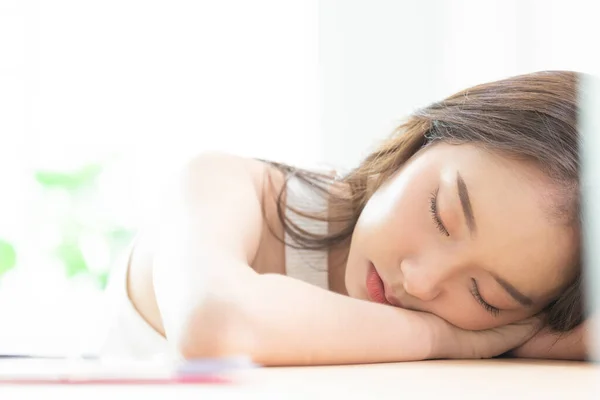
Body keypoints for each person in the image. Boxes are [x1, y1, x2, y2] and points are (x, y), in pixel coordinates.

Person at [99, 71, 587, 365]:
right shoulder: (226, 185)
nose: (420, 282)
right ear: (425, 139)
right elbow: (215, 327)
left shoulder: (502, 330)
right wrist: (443, 338)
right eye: (442, 215)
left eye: (487, 295)